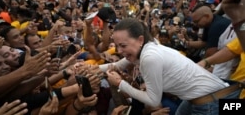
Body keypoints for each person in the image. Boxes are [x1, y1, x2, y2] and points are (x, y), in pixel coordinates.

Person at [98, 18, 243, 115]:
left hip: (211, 102)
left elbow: (153, 100)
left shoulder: (149, 57)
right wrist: (94, 69)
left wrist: (119, 83)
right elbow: (118, 64)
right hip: (202, 97)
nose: (119, 51)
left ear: (140, 39)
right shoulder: (150, 45)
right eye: (117, 46)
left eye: (123, 45)